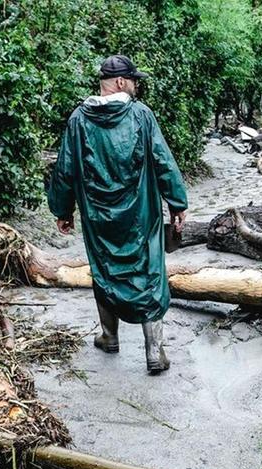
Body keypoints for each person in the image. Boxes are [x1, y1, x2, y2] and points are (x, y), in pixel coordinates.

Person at [48, 55, 188, 374]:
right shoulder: (140, 115)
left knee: (104, 269)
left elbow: (65, 167)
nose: (137, 86)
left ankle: (110, 336)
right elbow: (162, 160)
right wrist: (177, 202)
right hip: (140, 215)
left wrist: (62, 209)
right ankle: (154, 352)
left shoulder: (79, 120)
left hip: (98, 217)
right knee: (149, 272)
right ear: (122, 82)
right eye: (134, 80)